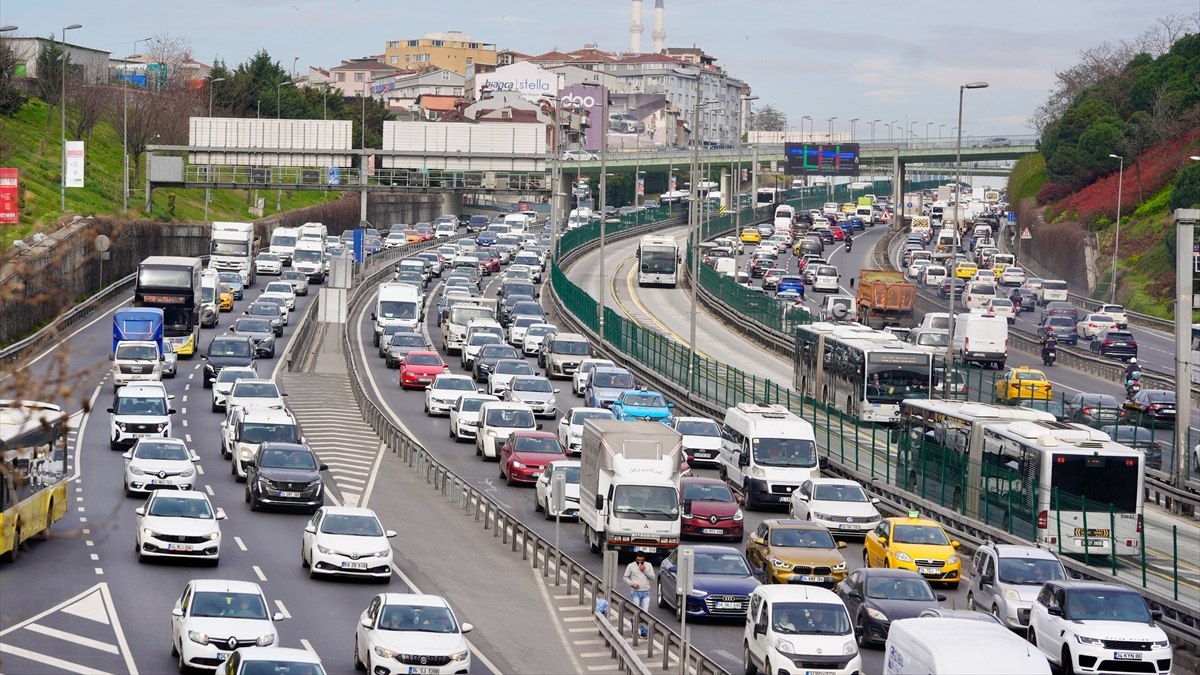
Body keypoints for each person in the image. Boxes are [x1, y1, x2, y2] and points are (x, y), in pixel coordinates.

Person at [623, 552, 656, 638]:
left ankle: (644, 632)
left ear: (644, 559)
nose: (639, 562)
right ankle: (635, 631)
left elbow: (653, 577)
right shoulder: (631, 566)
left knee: (645, 613)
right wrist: (632, 584)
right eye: (638, 560)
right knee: (636, 612)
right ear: (635, 559)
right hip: (635, 592)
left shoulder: (649, 565)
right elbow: (625, 577)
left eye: (641, 560)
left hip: (646, 592)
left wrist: (644, 570)